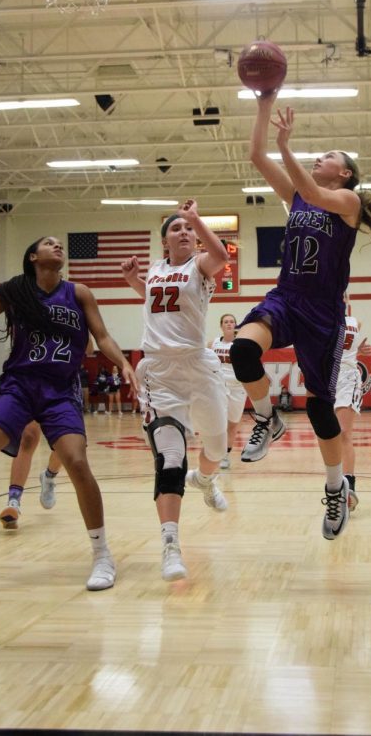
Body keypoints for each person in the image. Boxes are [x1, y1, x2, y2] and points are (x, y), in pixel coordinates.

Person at [228, 93, 371, 540]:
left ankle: (335, 488)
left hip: (323, 314)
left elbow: (312, 191)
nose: (320, 158)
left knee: (318, 408)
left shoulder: (347, 202)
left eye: (328, 156)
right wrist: (264, 103)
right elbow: (255, 155)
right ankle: (266, 417)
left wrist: (287, 144)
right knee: (242, 351)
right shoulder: (298, 198)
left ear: (345, 173)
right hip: (286, 296)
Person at [0, 235, 137, 590]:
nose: (58, 246)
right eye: (49, 243)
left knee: (77, 461)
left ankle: (102, 555)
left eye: (60, 244)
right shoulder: (16, 290)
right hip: (19, 384)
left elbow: (103, 336)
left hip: (60, 390)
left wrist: (124, 363)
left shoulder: (78, 292)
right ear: (32, 255)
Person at [121, 200, 230, 582]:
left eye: (188, 228)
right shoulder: (154, 270)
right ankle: (170, 545)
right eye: (176, 228)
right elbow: (155, 305)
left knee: (217, 449)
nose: (184, 232)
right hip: (159, 371)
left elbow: (219, 254)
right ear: (164, 240)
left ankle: (205, 478)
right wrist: (133, 281)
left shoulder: (199, 265)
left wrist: (199, 218)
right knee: (169, 457)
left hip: (198, 367)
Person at [336, 305, 370, 511]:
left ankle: (349, 488)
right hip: (324, 380)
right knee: (330, 436)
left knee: (344, 433)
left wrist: (358, 350)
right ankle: (335, 486)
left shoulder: (354, 322)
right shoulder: (315, 318)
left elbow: (349, 351)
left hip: (347, 378)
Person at [0, 421, 63, 529]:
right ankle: (14, 501)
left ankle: (49, 476)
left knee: (64, 443)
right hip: (34, 403)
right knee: (28, 437)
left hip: (62, 403)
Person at [210, 312, 247, 470]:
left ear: (235, 325)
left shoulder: (241, 345)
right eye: (226, 321)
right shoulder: (213, 344)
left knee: (232, 425)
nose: (229, 324)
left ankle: (225, 455)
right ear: (221, 325)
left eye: (232, 321)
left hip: (238, 388)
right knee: (219, 422)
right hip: (220, 387)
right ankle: (216, 454)